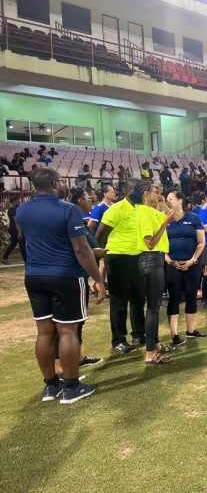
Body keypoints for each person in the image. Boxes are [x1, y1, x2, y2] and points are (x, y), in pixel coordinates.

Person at [17, 168, 104, 404]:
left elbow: (24, 241)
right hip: (65, 275)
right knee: (67, 331)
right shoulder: (68, 209)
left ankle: (51, 386)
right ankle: (72, 387)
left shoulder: (22, 211)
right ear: (56, 183)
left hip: (34, 276)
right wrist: (98, 279)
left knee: (44, 332)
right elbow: (81, 249)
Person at [53, 188, 105, 374]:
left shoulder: (79, 221)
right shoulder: (71, 216)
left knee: (77, 321)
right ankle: (62, 368)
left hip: (79, 275)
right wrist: (95, 255)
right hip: (71, 275)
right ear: (78, 201)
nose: (91, 200)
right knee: (66, 323)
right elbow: (79, 249)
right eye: (88, 198)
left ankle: (79, 357)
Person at [96, 178, 147, 354]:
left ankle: (139, 333)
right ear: (127, 191)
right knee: (119, 301)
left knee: (139, 298)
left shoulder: (142, 209)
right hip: (118, 258)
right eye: (138, 189)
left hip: (138, 257)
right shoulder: (117, 209)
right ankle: (118, 340)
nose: (141, 192)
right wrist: (103, 256)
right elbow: (100, 234)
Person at [132, 181, 175, 364]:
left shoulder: (151, 211)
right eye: (154, 191)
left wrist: (163, 201)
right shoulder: (143, 213)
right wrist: (164, 224)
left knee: (154, 307)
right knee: (153, 308)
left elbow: (172, 215)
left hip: (155, 259)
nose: (157, 193)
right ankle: (150, 352)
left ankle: (155, 345)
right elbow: (150, 242)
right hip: (150, 259)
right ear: (145, 194)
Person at [164, 189, 206, 346]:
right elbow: (161, 247)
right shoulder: (164, 221)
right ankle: (174, 335)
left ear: (180, 200)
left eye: (171, 199)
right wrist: (170, 262)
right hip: (172, 265)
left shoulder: (193, 218)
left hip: (192, 265)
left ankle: (191, 330)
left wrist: (193, 260)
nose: (168, 202)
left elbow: (201, 242)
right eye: (167, 199)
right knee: (173, 298)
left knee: (191, 295)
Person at [2, 198, 26, 264]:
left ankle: (4, 258)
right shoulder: (14, 210)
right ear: (14, 202)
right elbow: (16, 222)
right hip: (16, 230)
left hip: (12, 229)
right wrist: (20, 232)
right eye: (18, 201)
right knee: (22, 244)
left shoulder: (11, 210)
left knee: (13, 244)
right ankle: (26, 260)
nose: (19, 202)